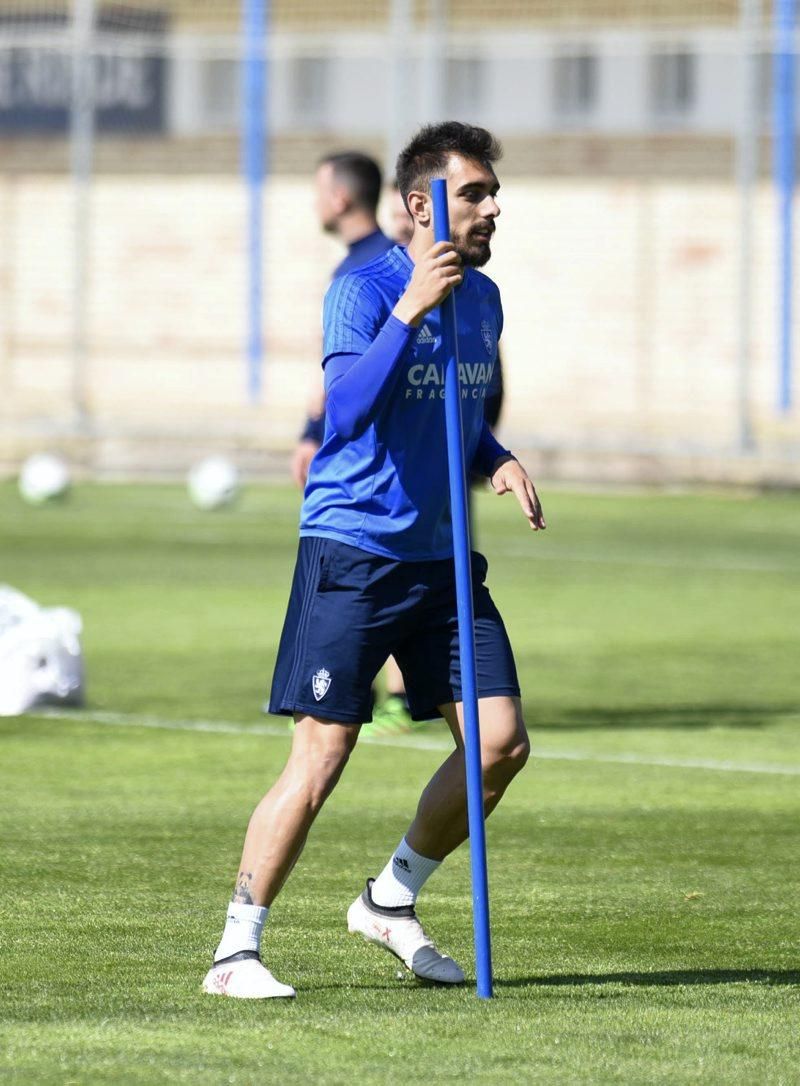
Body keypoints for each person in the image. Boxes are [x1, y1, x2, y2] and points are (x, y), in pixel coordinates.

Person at [203, 121, 545, 1000]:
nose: (493, 207)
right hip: (355, 550)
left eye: (493, 192)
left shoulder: (487, 299)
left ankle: (389, 899)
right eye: (475, 193)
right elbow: (346, 409)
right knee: (323, 755)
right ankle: (234, 951)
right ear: (419, 205)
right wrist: (408, 312)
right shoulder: (365, 288)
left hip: (441, 560)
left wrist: (493, 460)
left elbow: (457, 417)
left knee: (499, 745)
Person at [291, 152, 412, 734]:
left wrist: (313, 435)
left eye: (318, 189)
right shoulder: (371, 267)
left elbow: (343, 385)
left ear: (341, 197)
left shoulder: (365, 276)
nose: (315, 201)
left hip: (370, 480)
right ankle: (388, 694)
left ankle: (378, 694)